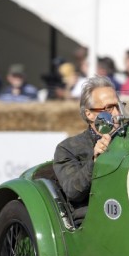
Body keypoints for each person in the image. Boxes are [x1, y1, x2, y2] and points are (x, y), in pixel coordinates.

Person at [53, 76, 122, 211]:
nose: (117, 113)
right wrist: (95, 161)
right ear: (89, 113)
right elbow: (72, 190)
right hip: (94, 216)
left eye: (118, 106)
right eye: (108, 108)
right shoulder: (68, 148)